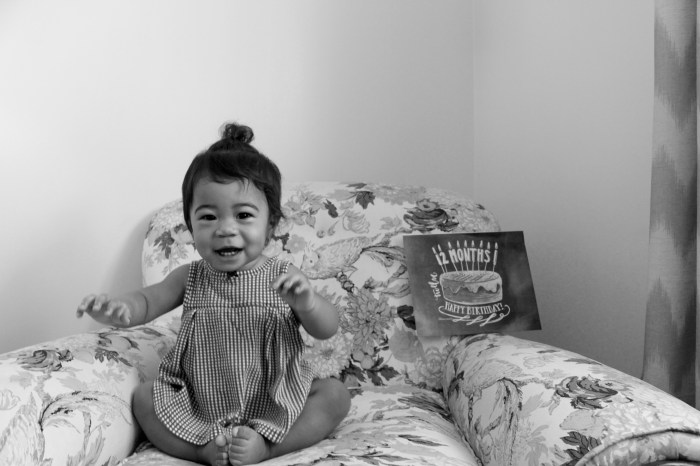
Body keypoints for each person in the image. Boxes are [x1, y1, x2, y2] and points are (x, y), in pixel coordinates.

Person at [77, 123, 351, 466]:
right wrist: (119, 309)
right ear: (191, 228)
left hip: (276, 399)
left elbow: (327, 328)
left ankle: (267, 447)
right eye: (208, 216)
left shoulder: (284, 277)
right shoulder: (190, 277)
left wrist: (308, 304)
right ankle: (203, 449)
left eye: (243, 215)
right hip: (201, 402)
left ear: (271, 225)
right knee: (144, 398)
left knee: (335, 395)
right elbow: (147, 302)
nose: (225, 228)